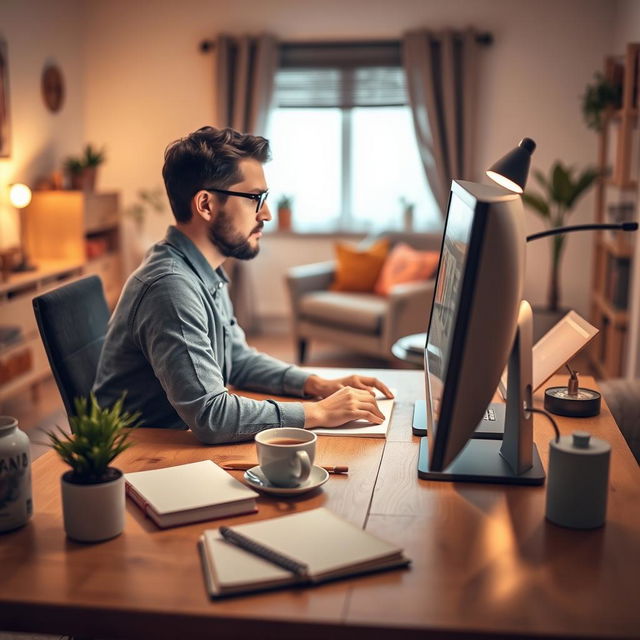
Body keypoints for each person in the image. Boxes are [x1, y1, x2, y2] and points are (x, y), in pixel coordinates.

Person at [94, 126, 393, 444]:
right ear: (206, 205)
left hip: (177, 440)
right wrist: (317, 413)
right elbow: (212, 416)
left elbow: (236, 359)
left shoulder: (203, 270)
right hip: (141, 455)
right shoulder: (171, 287)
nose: (266, 214)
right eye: (255, 198)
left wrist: (317, 385)